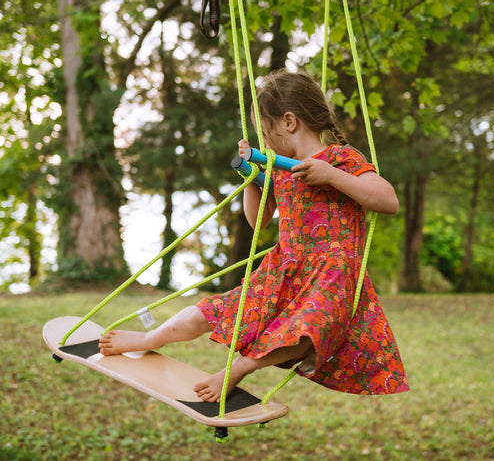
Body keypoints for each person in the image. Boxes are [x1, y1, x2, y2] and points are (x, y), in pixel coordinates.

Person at [99, 69, 408, 402]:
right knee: (215, 311)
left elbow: (388, 200)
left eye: (266, 130)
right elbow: (258, 221)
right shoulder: (279, 168)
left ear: (289, 121)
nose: (264, 139)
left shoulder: (342, 159)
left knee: (309, 327)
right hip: (285, 270)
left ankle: (241, 368)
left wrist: (331, 175)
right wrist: (254, 180)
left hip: (332, 272)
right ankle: (150, 338)